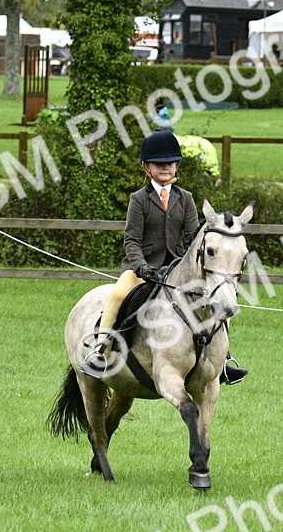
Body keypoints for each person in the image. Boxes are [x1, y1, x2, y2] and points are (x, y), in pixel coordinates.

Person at [80, 131, 248, 385]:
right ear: (147, 168)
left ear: (177, 165)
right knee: (117, 295)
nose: (166, 168)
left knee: (214, 299)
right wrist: (142, 267)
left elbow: (193, 237)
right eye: (160, 164)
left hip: (177, 268)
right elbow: (131, 240)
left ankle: (222, 361)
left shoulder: (186, 198)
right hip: (142, 269)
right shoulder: (138, 200)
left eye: (170, 163)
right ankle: (101, 350)